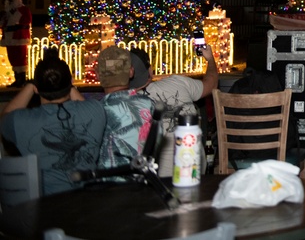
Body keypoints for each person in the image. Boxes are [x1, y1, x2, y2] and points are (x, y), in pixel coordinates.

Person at [0, 48, 107, 195]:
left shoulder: (18, 121)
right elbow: (83, 104)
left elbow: (5, 115)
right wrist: (67, 84)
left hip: (45, 208)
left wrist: (30, 86)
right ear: (71, 82)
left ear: (36, 89)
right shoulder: (96, 110)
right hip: (88, 203)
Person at [129, 43, 219, 177]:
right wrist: (210, 59)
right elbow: (211, 84)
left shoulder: (124, 105)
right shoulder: (178, 82)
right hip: (196, 173)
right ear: (151, 71)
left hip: (156, 182)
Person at [96, 45, 156, 173]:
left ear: (97, 75)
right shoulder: (150, 105)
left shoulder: (97, 111)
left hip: (110, 188)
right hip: (146, 184)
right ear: (131, 72)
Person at [2, 0, 33, 87]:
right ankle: (17, 79)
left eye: (12, 1)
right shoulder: (8, 12)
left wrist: (15, 27)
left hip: (19, 38)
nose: (10, 2)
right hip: (9, 38)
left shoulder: (24, 10)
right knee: (13, 58)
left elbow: (26, 21)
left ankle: (22, 80)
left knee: (20, 59)